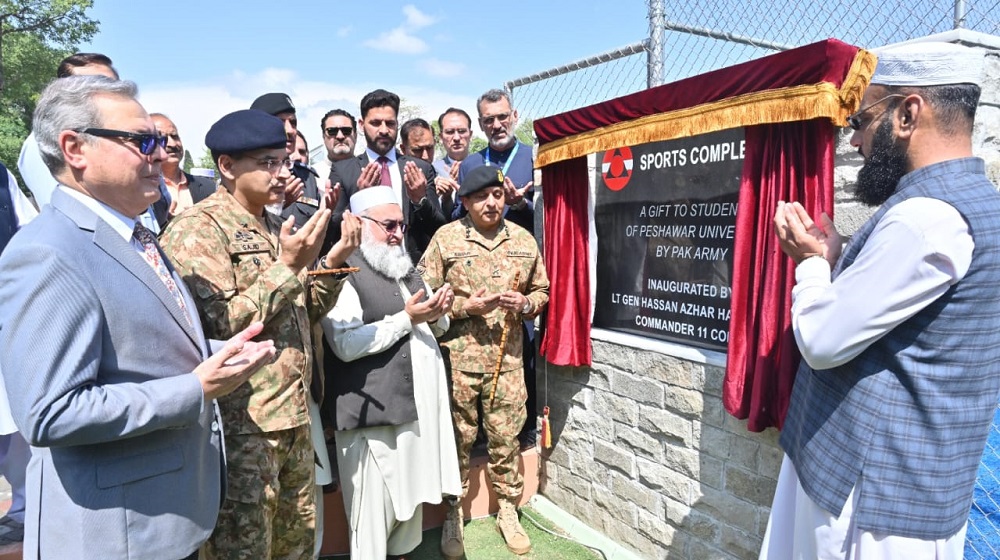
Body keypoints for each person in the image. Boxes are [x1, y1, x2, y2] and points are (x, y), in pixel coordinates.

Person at [0, 75, 276, 560]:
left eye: (163, 141)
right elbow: (50, 412)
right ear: (75, 148)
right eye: (143, 140)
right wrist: (196, 388)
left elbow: (137, 351)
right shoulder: (48, 252)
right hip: (116, 536)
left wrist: (220, 356)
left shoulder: (133, 235)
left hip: (167, 521)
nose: (161, 152)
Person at [760, 42, 1000, 559]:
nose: (854, 140)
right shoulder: (971, 206)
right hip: (906, 493)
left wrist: (809, 262)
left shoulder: (927, 219)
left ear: (908, 113)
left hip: (869, 508)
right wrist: (841, 251)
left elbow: (823, 341)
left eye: (861, 120)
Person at [159, 109, 362, 560]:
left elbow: (301, 311)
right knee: (243, 549)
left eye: (283, 161)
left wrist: (330, 266)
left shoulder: (273, 224)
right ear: (227, 167)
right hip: (243, 426)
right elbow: (215, 330)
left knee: (297, 543)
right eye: (267, 163)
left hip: (292, 414)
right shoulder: (197, 231)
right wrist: (287, 268)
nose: (282, 174)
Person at [321, 186, 462, 559]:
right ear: (360, 225)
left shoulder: (405, 267)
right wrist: (407, 319)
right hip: (376, 428)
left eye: (401, 224)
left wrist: (438, 312)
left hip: (417, 419)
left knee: (407, 515)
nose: (398, 233)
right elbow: (345, 344)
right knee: (371, 526)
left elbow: (436, 325)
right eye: (388, 225)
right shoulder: (344, 273)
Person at [419, 165, 549, 555]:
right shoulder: (446, 239)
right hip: (458, 361)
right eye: (480, 197)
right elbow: (424, 294)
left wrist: (527, 303)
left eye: (496, 195)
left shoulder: (523, 241)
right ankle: (453, 513)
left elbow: (541, 288)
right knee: (456, 441)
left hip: (506, 363)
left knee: (506, 438)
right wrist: (464, 306)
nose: (491, 203)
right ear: (465, 202)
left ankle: (508, 509)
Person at [458, 89, 540, 449]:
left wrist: (523, 203)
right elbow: (458, 219)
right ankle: (477, 436)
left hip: (518, 270)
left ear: (515, 116)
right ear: (480, 123)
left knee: (523, 353)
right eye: (488, 119)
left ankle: (524, 431)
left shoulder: (533, 158)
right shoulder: (470, 164)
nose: (496, 124)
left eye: (502, 117)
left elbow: (549, 218)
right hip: (478, 274)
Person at [329, 89, 445, 264]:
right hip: (363, 273)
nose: (384, 130)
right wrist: (359, 198)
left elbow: (439, 229)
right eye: (375, 123)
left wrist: (419, 201)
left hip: (413, 269)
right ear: (361, 125)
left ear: (397, 124)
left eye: (390, 123)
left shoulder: (420, 168)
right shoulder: (343, 170)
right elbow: (331, 231)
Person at [0, 161, 37, 547]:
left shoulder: (1, 176)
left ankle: (24, 511)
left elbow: (26, 234)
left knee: (15, 429)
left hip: (5, 314)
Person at [151, 113, 217, 213]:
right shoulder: (143, 190)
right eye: (162, 139)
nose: (172, 144)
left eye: (175, 136)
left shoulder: (209, 188)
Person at [433, 108, 473, 221]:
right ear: (441, 137)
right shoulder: (432, 170)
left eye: (461, 131)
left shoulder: (482, 166)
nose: (456, 138)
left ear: (470, 134)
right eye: (450, 132)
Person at [314, 109, 358, 182]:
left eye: (346, 130)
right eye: (332, 131)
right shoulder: (313, 176)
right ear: (323, 137)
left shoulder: (370, 170)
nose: (340, 136)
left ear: (356, 135)